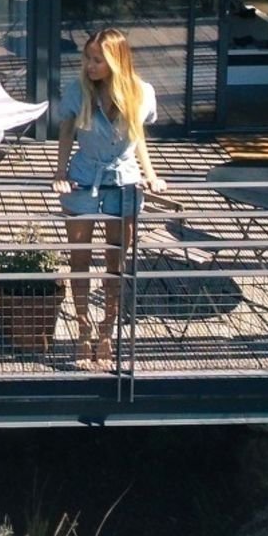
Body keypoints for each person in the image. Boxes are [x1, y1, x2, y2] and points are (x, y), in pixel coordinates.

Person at [51, 28, 165, 366]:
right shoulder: (78, 91)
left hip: (124, 179)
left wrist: (151, 175)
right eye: (87, 57)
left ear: (116, 60)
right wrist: (59, 174)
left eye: (97, 59)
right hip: (85, 177)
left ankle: (107, 332)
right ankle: (84, 330)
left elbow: (139, 137)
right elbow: (66, 132)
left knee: (116, 262)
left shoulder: (142, 93)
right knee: (79, 260)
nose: (89, 65)